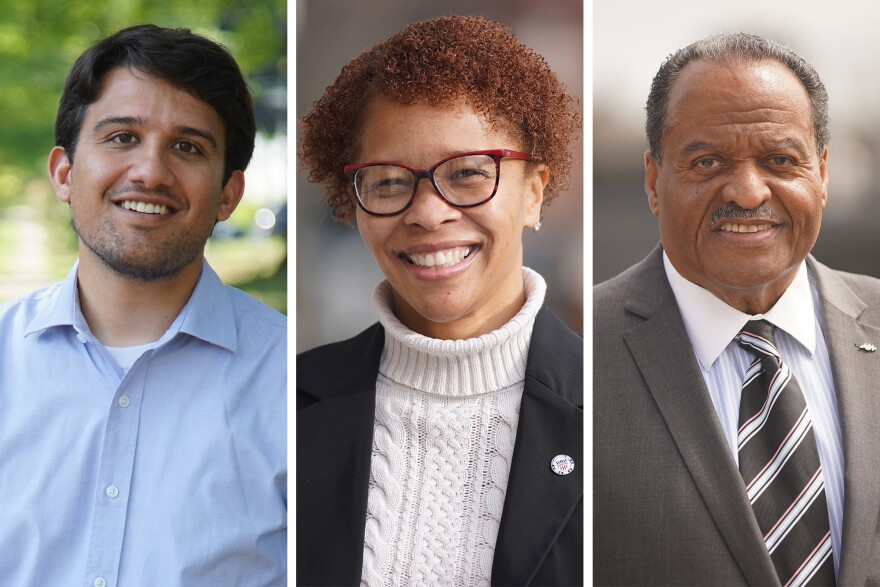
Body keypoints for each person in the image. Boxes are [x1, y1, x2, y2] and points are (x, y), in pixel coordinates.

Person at [297, 15, 582, 586]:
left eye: (470, 173)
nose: (428, 212)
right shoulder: (291, 407)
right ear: (352, 204)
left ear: (534, 192)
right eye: (387, 181)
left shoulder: (613, 411)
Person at [0, 25, 286, 586]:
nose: (151, 172)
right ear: (64, 172)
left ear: (228, 194)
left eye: (188, 147)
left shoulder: (291, 386)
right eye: (121, 137)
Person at [594, 32, 880, 586]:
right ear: (654, 181)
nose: (748, 192)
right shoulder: (582, 356)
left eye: (779, 160)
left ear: (821, 173)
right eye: (707, 161)